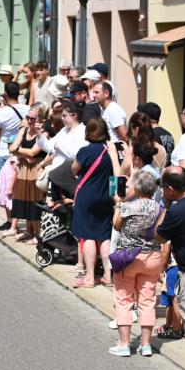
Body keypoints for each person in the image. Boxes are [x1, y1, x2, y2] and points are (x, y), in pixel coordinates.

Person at [110, 170, 166, 357]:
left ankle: (125, 344)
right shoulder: (160, 208)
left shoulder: (129, 207)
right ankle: (146, 344)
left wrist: (118, 204)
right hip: (152, 258)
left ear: (138, 188)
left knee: (124, 299)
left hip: (129, 257)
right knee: (147, 301)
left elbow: (116, 225)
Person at [155, 169, 185, 370]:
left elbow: (159, 236)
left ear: (171, 190)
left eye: (163, 188)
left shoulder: (177, 211)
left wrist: (165, 208)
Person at [71, 118, 117, 288]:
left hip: (87, 197)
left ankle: (89, 277)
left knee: (88, 235)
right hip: (106, 197)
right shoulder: (109, 151)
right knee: (104, 235)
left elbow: (74, 169)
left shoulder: (85, 151)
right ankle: (107, 274)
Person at [8, 104, 47, 243]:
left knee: (34, 202)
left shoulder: (43, 133)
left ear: (39, 119)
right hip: (24, 170)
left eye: (33, 118)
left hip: (36, 170)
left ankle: (38, 234)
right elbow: (12, 147)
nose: (30, 121)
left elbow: (33, 152)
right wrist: (25, 155)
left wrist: (21, 151)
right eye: (28, 117)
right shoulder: (23, 130)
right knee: (23, 201)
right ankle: (30, 232)